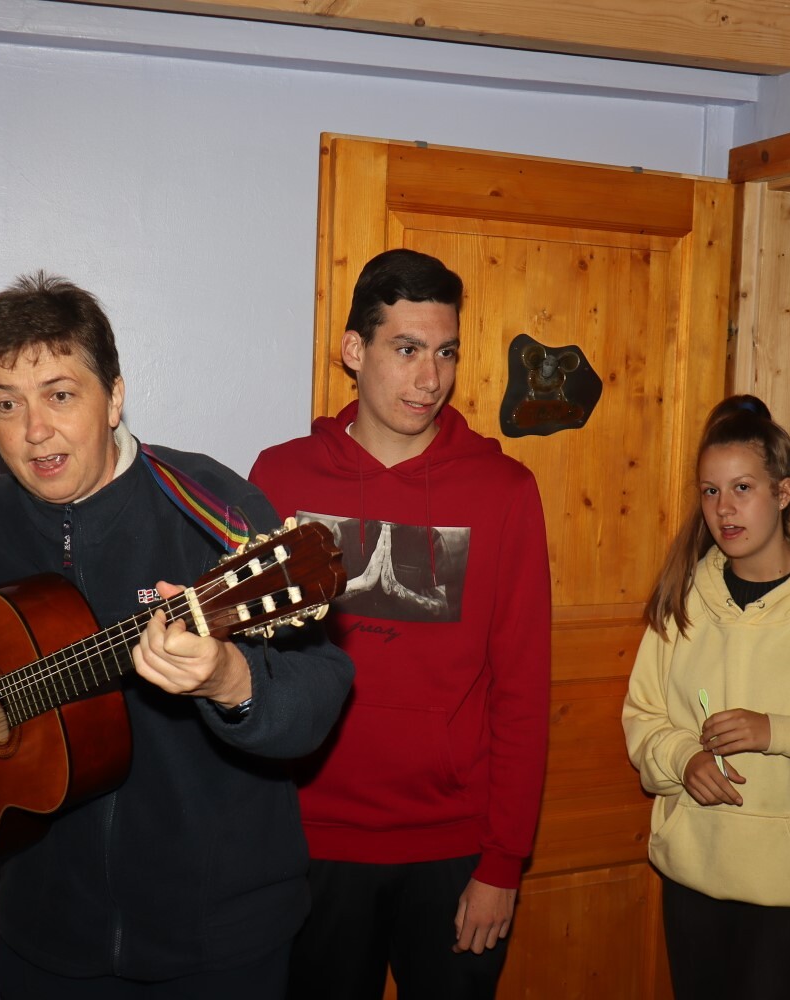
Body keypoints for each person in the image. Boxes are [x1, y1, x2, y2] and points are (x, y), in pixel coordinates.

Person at [0, 273, 354, 999]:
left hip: (219, 941)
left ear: (114, 397)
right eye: (6, 403)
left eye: (60, 395)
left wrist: (230, 680)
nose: (34, 430)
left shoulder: (209, 506)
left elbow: (320, 688)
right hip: (47, 941)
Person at [249, 248, 550, 999]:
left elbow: (522, 688)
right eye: (407, 349)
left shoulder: (504, 491)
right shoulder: (280, 478)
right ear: (355, 350)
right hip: (308, 844)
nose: (430, 379)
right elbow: (249, 670)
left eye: (446, 353)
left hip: (453, 850)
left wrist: (503, 862)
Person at [622, 395, 790, 1000]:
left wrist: (777, 732)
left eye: (742, 488)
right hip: (692, 876)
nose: (724, 508)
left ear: (783, 493)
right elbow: (643, 715)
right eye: (710, 492)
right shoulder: (685, 594)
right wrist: (683, 757)